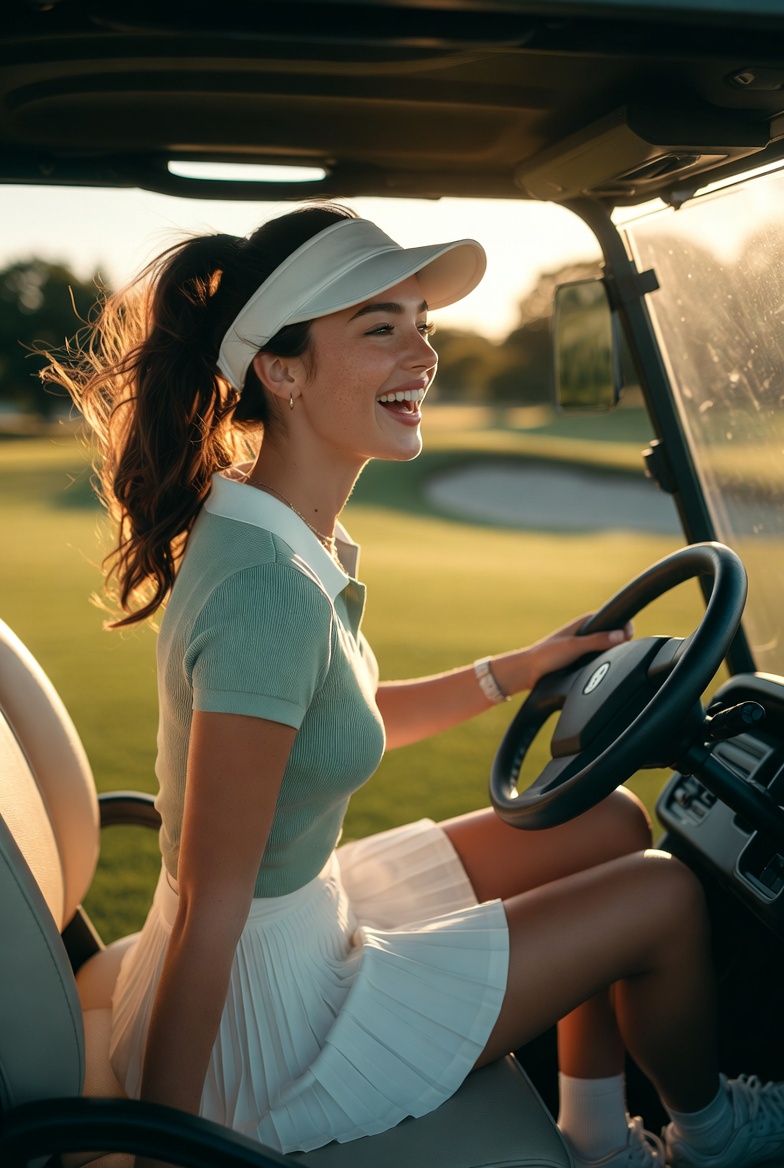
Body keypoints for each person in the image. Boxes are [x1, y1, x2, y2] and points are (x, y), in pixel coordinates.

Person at [49, 202, 784, 1168]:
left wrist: (509, 672)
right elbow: (210, 905)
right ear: (282, 370)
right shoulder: (270, 588)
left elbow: (323, 726)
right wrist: (165, 1145)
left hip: (306, 909)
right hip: (270, 1019)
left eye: (422, 326)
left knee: (608, 826)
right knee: (662, 898)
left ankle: (598, 1136)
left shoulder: (284, 533)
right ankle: (715, 1138)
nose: (423, 355)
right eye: (379, 329)